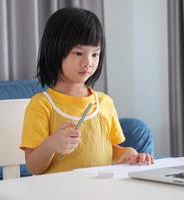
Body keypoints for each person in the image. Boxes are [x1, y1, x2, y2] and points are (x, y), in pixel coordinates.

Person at [20, 7, 154, 175]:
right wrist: (51, 145)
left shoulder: (104, 103)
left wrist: (128, 154)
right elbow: (33, 167)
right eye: (78, 53)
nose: (88, 62)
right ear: (55, 51)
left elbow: (111, 150)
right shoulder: (41, 105)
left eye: (95, 54)